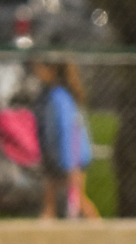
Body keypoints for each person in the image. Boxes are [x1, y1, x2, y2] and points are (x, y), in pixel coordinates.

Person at [31, 62, 100, 220]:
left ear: (52, 70)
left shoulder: (60, 98)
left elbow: (69, 132)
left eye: (40, 67)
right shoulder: (48, 95)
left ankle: (100, 232)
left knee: (77, 199)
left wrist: (71, 166)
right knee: (50, 203)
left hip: (71, 160)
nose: (36, 71)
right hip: (56, 160)